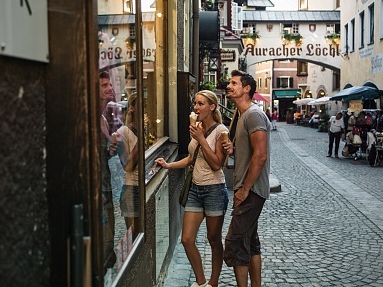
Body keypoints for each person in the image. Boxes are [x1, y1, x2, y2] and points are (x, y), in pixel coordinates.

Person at [155, 90, 229, 287]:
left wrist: (202, 138)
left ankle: (213, 282)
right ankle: (201, 281)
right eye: (195, 104)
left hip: (214, 190)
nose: (196, 108)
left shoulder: (222, 131)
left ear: (212, 107)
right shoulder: (196, 127)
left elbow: (216, 164)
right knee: (187, 239)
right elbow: (192, 158)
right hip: (196, 190)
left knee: (213, 239)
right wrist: (170, 165)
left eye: (201, 104)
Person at [222, 70, 270, 287]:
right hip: (248, 189)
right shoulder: (242, 115)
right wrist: (234, 149)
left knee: (235, 243)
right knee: (250, 242)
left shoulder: (253, 115)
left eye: (234, 83)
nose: (229, 86)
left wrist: (244, 189)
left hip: (250, 191)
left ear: (247, 88)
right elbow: (251, 152)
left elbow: (260, 155)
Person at [109, 92, 140, 241]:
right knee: (134, 237)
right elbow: (128, 166)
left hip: (144, 187)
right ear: (133, 108)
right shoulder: (123, 132)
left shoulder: (149, 128)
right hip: (131, 189)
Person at [99, 70, 117, 268]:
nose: (110, 88)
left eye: (110, 84)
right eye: (104, 86)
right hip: (99, 190)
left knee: (109, 238)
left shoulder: (104, 119)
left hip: (108, 186)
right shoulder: (92, 118)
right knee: (104, 241)